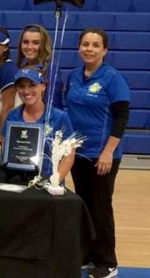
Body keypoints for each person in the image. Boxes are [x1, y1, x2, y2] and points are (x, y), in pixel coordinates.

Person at [66, 28, 130, 278]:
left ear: (105, 50)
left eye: (95, 45)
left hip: (102, 156)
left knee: (101, 207)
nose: (89, 49)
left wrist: (108, 151)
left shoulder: (113, 79)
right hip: (77, 154)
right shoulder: (72, 76)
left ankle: (108, 261)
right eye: (85, 44)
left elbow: (122, 116)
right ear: (79, 47)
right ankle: (87, 255)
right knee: (84, 205)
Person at [1, 67, 75, 180]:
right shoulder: (12, 115)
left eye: (32, 85)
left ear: (43, 87)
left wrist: (55, 181)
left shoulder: (60, 117)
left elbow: (69, 155)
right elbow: (5, 147)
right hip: (17, 181)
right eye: (21, 86)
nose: (26, 91)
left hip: (48, 181)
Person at [16, 24, 63, 108]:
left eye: (36, 43)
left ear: (43, 45)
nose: (29, 47)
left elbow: (51, 106)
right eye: (26, 42)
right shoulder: (21, 69)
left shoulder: (51, 70)